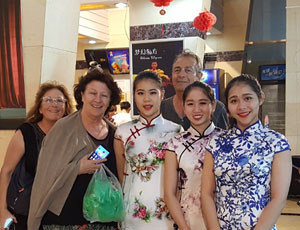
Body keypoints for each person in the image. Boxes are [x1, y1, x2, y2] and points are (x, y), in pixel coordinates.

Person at [28, 69, 122, 230]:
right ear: (82, 95)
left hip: (104, 221)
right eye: (92, 93)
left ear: (110, 100)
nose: (98, 100)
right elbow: (45, 175)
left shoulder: (115, 133)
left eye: (104, 95)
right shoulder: (63, 128)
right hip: (64, 221)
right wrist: (78, 168)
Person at [201, 74, 292, 229]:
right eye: (234, 101)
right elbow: (206, 195)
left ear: (260, 98)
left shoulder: (276, 142)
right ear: (228, 106)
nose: (241, 106)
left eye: (248, 98)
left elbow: (279, 199)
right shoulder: (216, 142)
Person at [114, 71, 182, 230]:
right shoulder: (122, 132)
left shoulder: (177, 131)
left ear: (162, 94)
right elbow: (122, 178)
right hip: (132, 212)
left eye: (153, 92)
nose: (146, 99)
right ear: (134, 96)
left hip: (167, 213)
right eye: (140, 93)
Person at [0, 81, 72, 230]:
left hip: (58, 212)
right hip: (27, 211)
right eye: (48, 100)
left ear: (65, 108)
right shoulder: (26, 133)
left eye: (59, 100)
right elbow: (6, 171)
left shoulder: (70, 136)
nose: (54, 104)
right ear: (40, 108)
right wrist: (2, 210)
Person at [164, 81, 222, 230]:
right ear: (183, 107)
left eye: (203, 103)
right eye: (190, 104)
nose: (197, 109)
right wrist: (184, 227)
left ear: (213, 105)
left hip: (223, 220)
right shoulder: (175, 143)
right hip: (188, 221)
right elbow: (169, 194)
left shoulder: (227, 140)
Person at [161, 50, 228, 130]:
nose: (181, 75)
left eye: (188, 70)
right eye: (177, 70)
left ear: (199, 76)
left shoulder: (217, 108)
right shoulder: (161, 108)